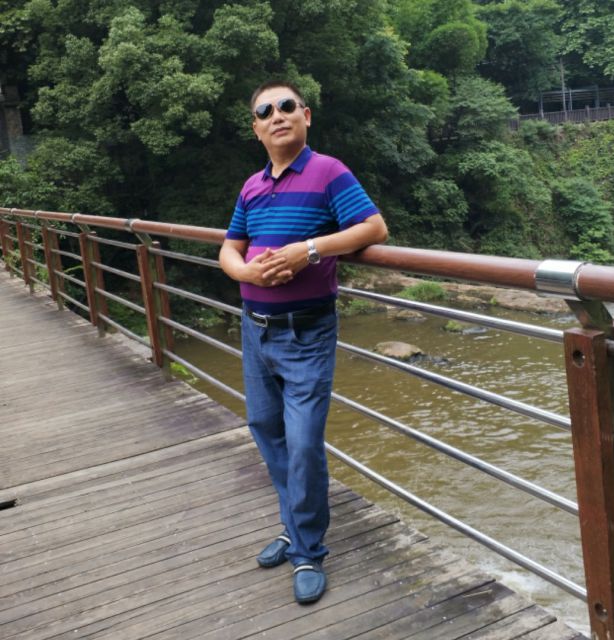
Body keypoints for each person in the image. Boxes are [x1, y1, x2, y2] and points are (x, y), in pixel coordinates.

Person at [219, 80, 387, 604]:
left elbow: (374, 228)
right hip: (255, 329)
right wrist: (245, 271)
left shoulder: (328, 172)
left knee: (305, 442)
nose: (277, 115)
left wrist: (307, 251)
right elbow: (229, 248)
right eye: (265, 111)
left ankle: (309, 549)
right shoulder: (252, 186)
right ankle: (294, 529)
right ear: (255, 128)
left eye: (287, 106)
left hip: (307, 331)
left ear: (306, 116)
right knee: (267, 431)